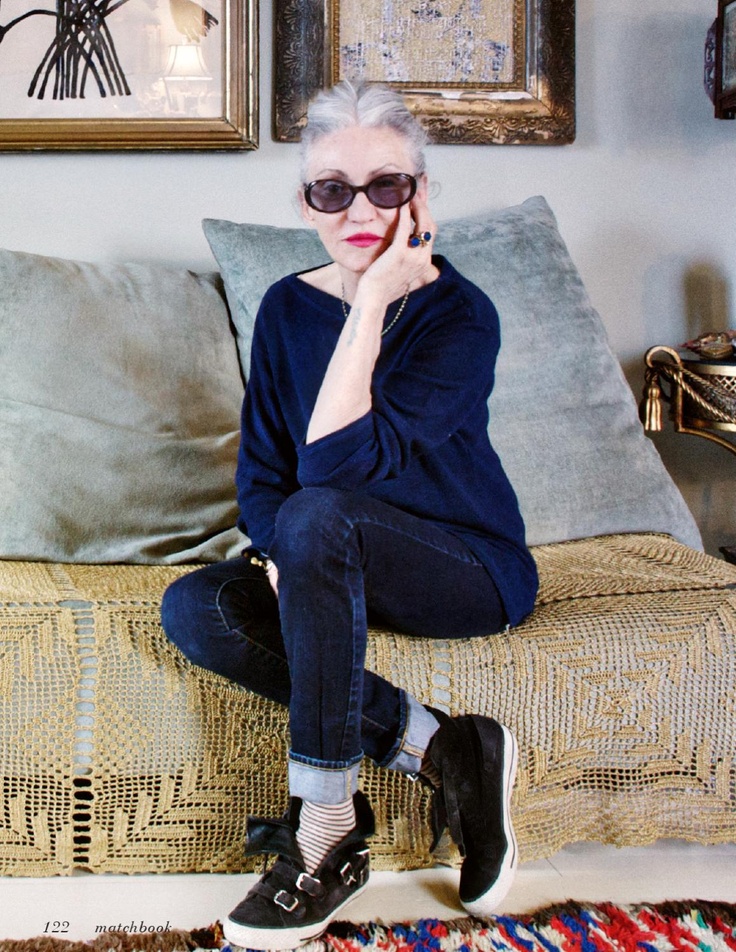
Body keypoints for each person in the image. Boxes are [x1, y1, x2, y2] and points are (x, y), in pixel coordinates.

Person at [161, 79, 538, 951]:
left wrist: (370, 302)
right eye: (333, 190)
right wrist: (280, 552)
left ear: (421, 196)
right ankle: (446, 747)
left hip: (469, 568)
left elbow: (333, 468)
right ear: (306, 204)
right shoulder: (287, 307)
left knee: (319, 512)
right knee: (197, 607)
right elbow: (265, 475)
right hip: (328, 551)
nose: (360, 210)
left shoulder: (460, 317)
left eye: (386, 186)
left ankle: (326, 828)